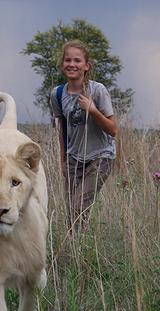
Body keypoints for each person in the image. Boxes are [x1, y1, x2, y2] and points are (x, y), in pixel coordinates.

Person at [48, 40, 117, 232]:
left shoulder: (97, 91)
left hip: (100, 157)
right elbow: (61, 128)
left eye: (77, 60)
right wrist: (63, 160)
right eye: (68, 60)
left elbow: (113, 130)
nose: (72, 64)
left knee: (78, 207)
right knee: (72, 212)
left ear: (86, 66)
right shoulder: (57, 94)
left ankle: (77, 251)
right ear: (62, 64)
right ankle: (77, 253)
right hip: (73, 159)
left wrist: (93, 110)